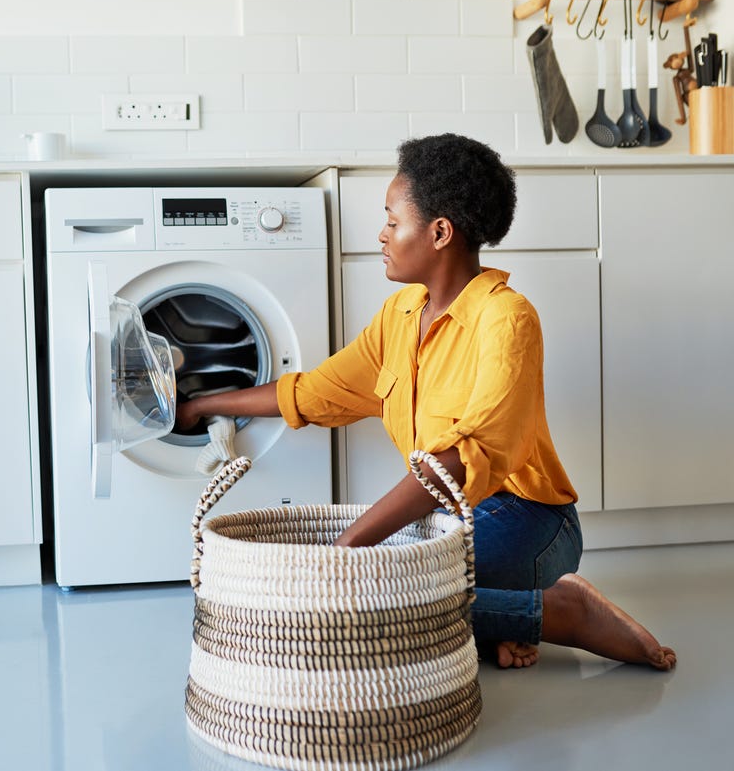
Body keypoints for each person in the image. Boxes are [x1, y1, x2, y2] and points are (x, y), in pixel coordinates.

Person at [176, 133, 676, 671]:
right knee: (381, 590)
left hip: (529, 522)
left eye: (393, 221)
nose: (382, 235)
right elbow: (317, 391)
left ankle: (566, 613)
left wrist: (345, 548)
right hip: (451, 520)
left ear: (439, 232)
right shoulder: (400, 315)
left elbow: (466, 457)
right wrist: (206, 404)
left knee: (380, 591)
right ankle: (499, 625)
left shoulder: (507, 319)